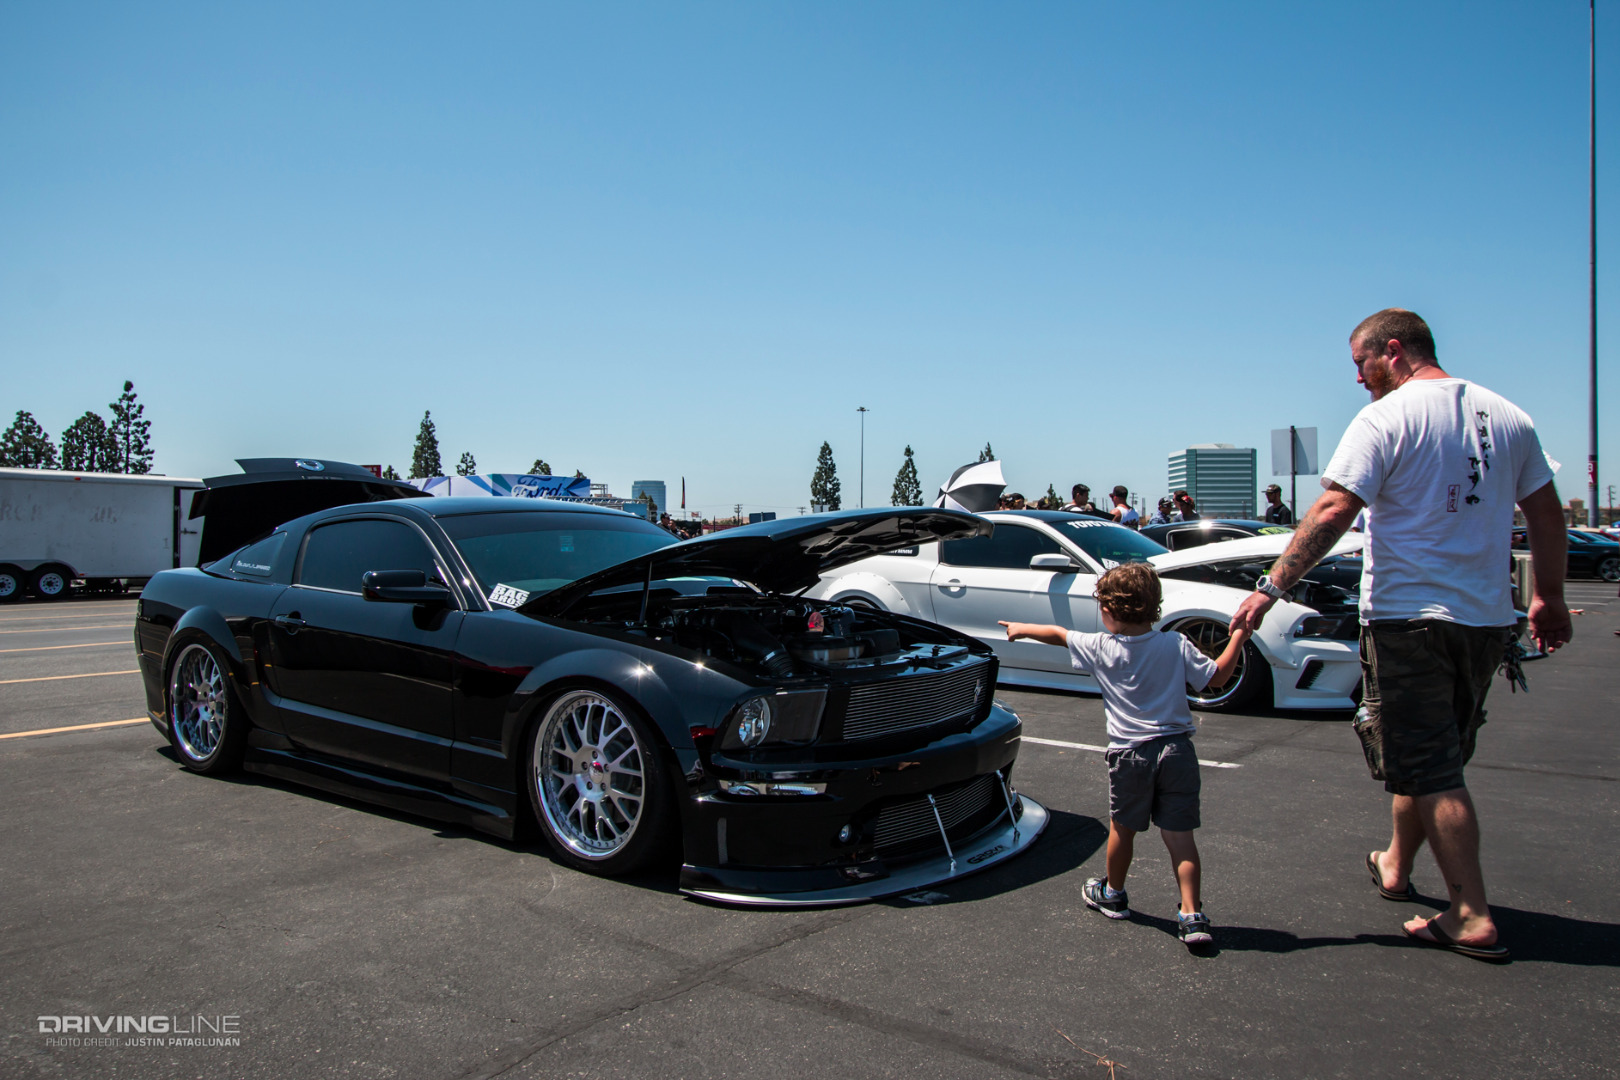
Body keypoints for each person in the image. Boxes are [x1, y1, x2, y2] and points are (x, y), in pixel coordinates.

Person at [1230, 308, 1571, 962]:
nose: (1358, 380)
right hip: (1484, 622)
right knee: (1435, 754)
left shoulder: (1386, 418)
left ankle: (1469, 913)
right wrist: (1548, 599)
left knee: (1433, 768)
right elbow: (1546, 513)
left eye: (1360, 365)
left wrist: (1270, 587)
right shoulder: (1509, 416)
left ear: (1391, 350)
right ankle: (1395, 863)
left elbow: (1335, 508)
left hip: (1408, 620)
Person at [1000, 564, 1251, 948]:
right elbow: (1216, 677)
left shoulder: (1102, 646)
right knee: (1180, 836)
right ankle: (1191, 915)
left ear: (1108, 609)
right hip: (1178, 752)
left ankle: (1113, 893)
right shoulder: (1174, 643)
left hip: (1131, 755)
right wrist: (1239, 636)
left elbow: (1059, 635)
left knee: (1123, 829)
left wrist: (1021, 628)